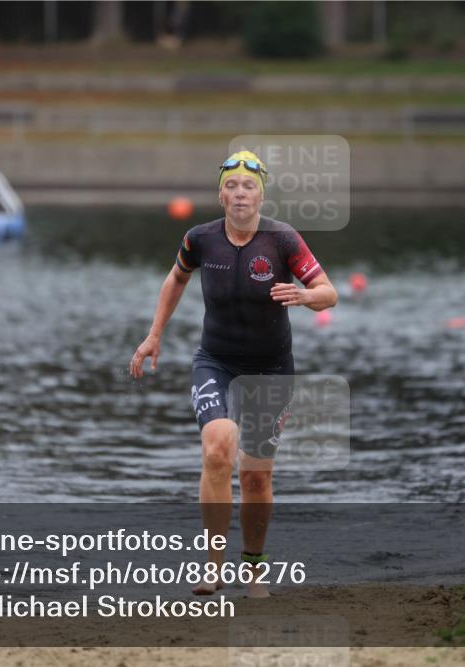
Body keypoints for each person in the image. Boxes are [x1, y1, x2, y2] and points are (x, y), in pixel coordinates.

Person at [129, 151, 338, 597]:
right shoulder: (200, 239)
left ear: (261, 194)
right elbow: (176, 279)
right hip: (216, 361)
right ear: (220, 194)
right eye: (232, 186)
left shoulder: (282, 240)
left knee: (256, 477)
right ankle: (213, 566)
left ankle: (255, 568)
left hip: (271, 368)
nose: (240, 193)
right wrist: (154, 335)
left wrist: (305, 298)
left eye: (249, 186)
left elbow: (329, 293)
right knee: (218, 448)